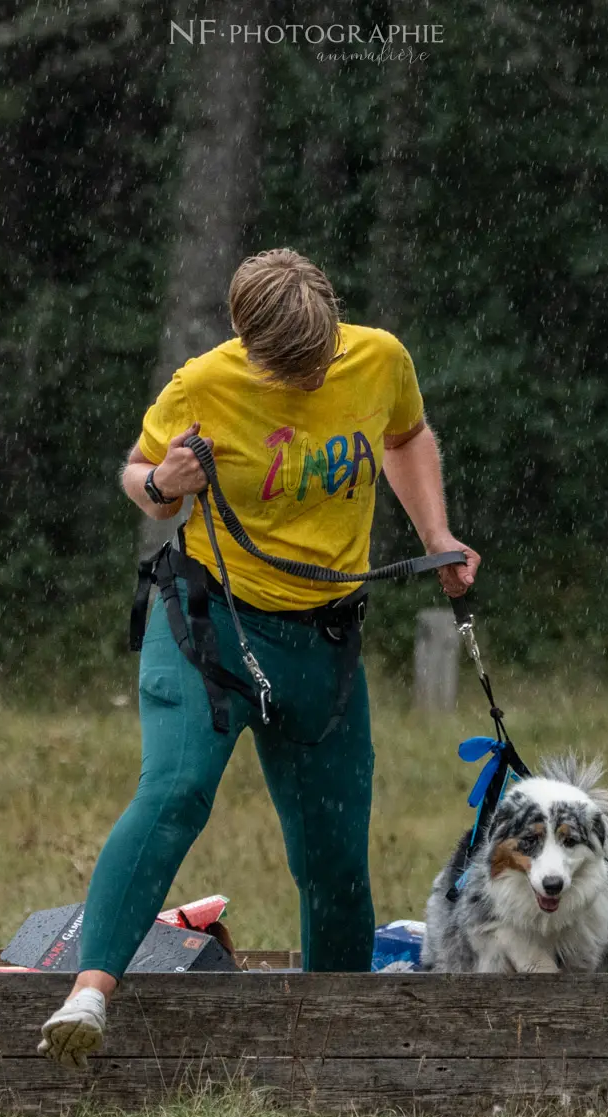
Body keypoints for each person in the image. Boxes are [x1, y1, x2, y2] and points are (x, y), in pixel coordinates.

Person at [38, 248, 479, 1068]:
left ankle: (337, 1039)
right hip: (209, 626)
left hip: (325, 640)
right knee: (175, 792)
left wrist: (436, 537)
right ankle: (88, 994)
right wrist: (165, 483)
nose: (313, 381)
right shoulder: (203, 384)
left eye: (320, 362)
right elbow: (138, 474)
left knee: (334, 854)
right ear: (250, 342)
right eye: (293, 371)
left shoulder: (379, 358)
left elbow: (407, 437)